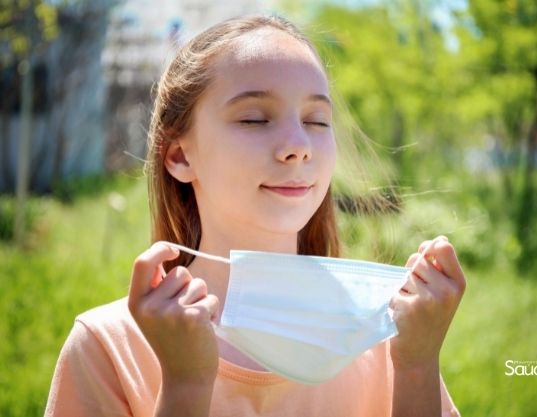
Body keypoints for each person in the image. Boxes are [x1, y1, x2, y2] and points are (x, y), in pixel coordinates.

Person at [45, 14, 466, 417]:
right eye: (254, 118)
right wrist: (185, 385)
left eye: (317, 120)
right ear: (178, 155)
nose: (298, 145)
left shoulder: (384, 329)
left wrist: (417, 367)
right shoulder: (109, 347)